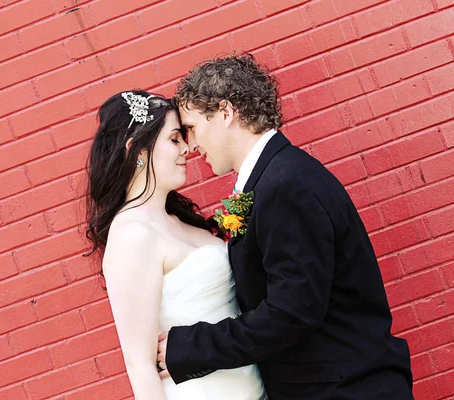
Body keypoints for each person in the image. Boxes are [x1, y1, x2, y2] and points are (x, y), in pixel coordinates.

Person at [156, 54, 414, 399]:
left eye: (191, 128)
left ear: (224, 113)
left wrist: (191, 346)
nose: (191, 145)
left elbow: (292, 312)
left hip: (346, 390)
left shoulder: (285, 185)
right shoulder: (275, 177)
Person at [85, 90, 267, 399]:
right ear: (138, 151)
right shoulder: (132, 234)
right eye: (174, 140)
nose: (187, 148)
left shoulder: (177, 220)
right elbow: (139, 364)